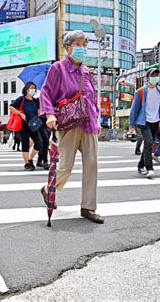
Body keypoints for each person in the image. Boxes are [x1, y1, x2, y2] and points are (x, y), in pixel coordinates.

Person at [39, 30, 103, 224]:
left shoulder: (87, 71)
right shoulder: (58, 68)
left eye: (85, 44)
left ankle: (88, 208)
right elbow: (46, 93)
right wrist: (50, 114)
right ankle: (48, 188)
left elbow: (91, 98)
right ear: (67, 48)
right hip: (69, 124)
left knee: (92, 165)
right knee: (65, 166)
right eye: (78, 44)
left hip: (89, 123)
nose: (82, 48)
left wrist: (97, 118)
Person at [129, 68, 160, 179]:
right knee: (149, 142)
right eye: (153, 75)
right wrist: (131, 126)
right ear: (148, 78)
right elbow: (134, 109)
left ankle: (140, 165)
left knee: (149, 144)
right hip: (143, 121)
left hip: (155, 121)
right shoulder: (141, 91)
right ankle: (149, 169)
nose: (155, 77)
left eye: (157, 75)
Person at [10, 82, 43, 171]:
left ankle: (30, 158)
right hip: (24, 124)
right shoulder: (21, 99)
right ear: (26, 89)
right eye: (31, 88)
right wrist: (20, 114)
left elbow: (38, 112)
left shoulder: (36, 101)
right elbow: (11, 107)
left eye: (34, 88)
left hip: (33, 125)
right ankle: (27, 163)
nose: (33, 90)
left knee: (39, 142)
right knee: (25, 143)